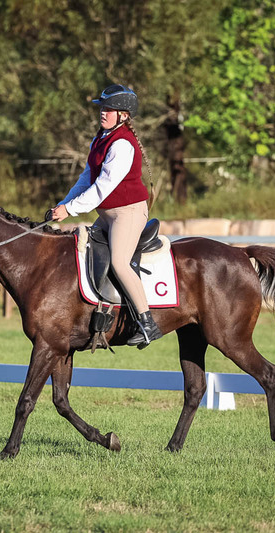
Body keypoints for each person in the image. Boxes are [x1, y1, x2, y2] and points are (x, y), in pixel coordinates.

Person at [49, 84, 163, 348]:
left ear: (123, 115)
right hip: (107, 215)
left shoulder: (123, 145)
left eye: (108, 109)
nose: (103, 112)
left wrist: (72, 209)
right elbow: (86, 178)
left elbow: (102, 188)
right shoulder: (101, 138)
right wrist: (63, 204)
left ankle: (147, 323)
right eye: (102, 107)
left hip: (128, 213)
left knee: (120, 263)